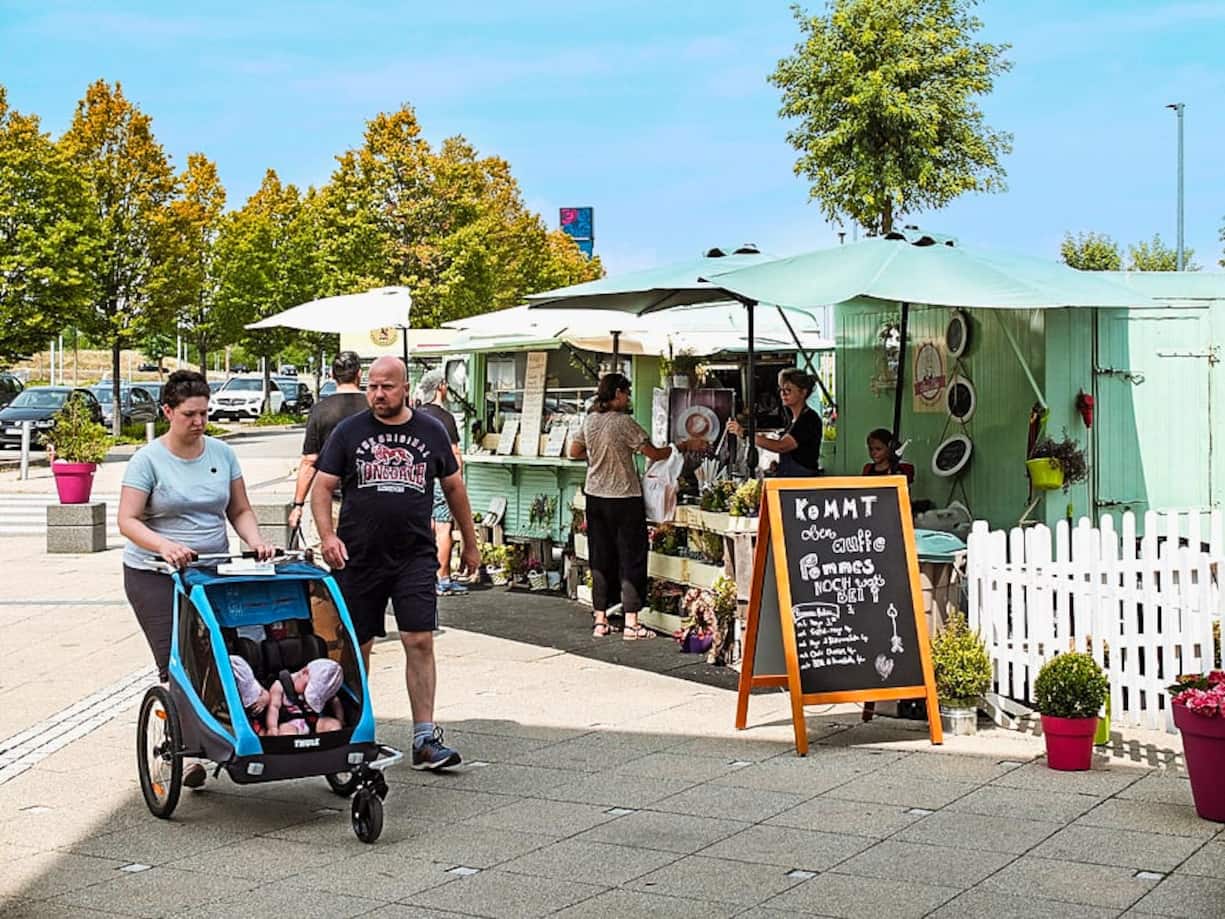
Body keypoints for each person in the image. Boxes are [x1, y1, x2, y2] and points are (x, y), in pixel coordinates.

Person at [311, 356, 480, 770]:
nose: (377, 394)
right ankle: (356, 730)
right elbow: (322, 486)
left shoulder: (430, 430)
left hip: (414, 556)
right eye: (372, 386)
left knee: (419, 640)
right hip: (358, 557)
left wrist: (470, 543)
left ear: (406, 388)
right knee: (357, 646)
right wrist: (327, 536)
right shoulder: (350, 432)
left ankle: (425, 738)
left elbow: (454, 486)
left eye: (386, 387)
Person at [118, 370, 275, 789]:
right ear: (168, 411)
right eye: (190, 414)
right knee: (179, 659)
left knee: (228, 650)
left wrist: (255, 539)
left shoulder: (222, 455)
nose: (200, 421)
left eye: (205, 413)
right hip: (156, 573)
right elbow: (127, 520)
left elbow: (239, 510)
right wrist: (164, 545)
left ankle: (229, 727)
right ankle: (184, 748)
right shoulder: (148, 460)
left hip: (211, 571)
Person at [568, 373, 703, 641]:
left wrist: (597, 458)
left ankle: (600, 620)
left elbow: (574, 451)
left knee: (601, 557)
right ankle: (631, 623)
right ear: (617, 393)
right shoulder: (624, 423)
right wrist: (683, 446)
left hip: (595, 496)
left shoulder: (590, 421)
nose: (628, 398)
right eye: (626, 393)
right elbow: (654, 453)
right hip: (624, 498)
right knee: (631, 557)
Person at [288, 351, 367, 548]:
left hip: (330, 500)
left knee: (325, 559)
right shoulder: (373, 408)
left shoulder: (320, 410)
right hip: (370, 500)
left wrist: (298, 504)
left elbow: (310, 460)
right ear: (360, 374)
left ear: (332, 375)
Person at [415, 369, 467, 596]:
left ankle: (421, 574)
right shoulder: (445, 418)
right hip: (440, 478)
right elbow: (455, 453)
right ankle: (442, 577)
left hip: (417, 478)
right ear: (440, 387)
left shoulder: (414, 414)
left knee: (426, 526)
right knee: (444, 527)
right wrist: (458, 481)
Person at [727, 368, 823, 478]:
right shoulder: (793, 419)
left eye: (788, 390)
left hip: (802, 481)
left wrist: (745, 434)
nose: (783, 394)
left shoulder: (808, 419)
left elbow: (781, 446)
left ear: (803, 392)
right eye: (781, 390)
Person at [264, 658, 345, 736]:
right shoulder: (279, 686)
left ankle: (326, 747)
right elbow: (273, 708)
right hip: (290, 724)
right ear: (304, 672)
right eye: (306, 686)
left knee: (334, 726)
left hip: (313, 721)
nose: (305, 692)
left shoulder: (323, 689)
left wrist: (340, 720)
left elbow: (335, 700)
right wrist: (272, 727)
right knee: (286, 733)